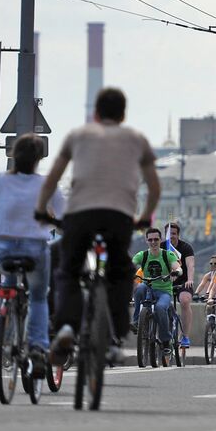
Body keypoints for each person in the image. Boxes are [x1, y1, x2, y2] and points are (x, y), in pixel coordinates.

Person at [38, 87, 161, 366]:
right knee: (121, 271)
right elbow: (154, 188)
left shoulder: (78, 135)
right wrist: (145, 217)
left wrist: (41, 211)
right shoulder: (137, 139)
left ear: (95, 112)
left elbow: (51, 180)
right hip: (118, 218)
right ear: (123, 114)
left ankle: (66, 326)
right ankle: (115, 336)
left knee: (67, 269)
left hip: (80, 215)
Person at [0, 134, 63, 370]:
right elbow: (64, 215)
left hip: (4, 248)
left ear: (13, 156)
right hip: (35, 248)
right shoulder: (47, 183)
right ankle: (37, 346)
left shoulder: (0, 181)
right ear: (38, 159)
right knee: (37, 296)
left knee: (7, 288)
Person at [132, 228, 181, 347]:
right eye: (150, 240)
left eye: (156, 239)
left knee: (160, 308)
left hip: (164, 291)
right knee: (139, 288)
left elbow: (177, 267)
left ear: (161, 240)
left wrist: (177, 271)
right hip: (148, 287)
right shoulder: (142, 255)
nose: (153, 242)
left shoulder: (167, 254)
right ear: (146, 241)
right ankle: (137, 321)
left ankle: (165, 341)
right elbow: (131, 264)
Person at [163, 220, 197, 349]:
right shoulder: (160, 246)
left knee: (184, 300)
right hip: (164, 280)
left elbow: (190, 265)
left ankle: (185, 336)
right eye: (168, 233)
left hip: (183, 281)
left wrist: (190, 279)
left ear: (178, 235)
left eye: (174, 233)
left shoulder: (185, 247)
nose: (171, 236)